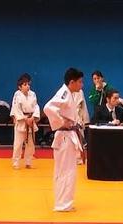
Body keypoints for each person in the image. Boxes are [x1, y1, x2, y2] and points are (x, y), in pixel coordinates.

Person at [44, 67, 85, 213]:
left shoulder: (69, 93)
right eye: (80, 82)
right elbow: (48, 108)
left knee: (68, 171)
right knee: (65, 171)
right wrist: (62, 122)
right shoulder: (64, 93)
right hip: (64, 137)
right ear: (72, 82)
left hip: (68, 136)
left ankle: (65, 202)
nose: (82, 85)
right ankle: (62, 204)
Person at [10, 73, 40, 168]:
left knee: (30, 144)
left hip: (31, 120)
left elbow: (36, 106)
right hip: (21, 121)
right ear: (20, 87)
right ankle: (16, 163)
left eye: (28, 84)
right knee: (18, 144)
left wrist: (33, 117)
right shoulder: (17, 95)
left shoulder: (33, 94)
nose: (28, 86)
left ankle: (28, 162)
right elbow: (16, 108)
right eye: (25, 84)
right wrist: (24, 118)